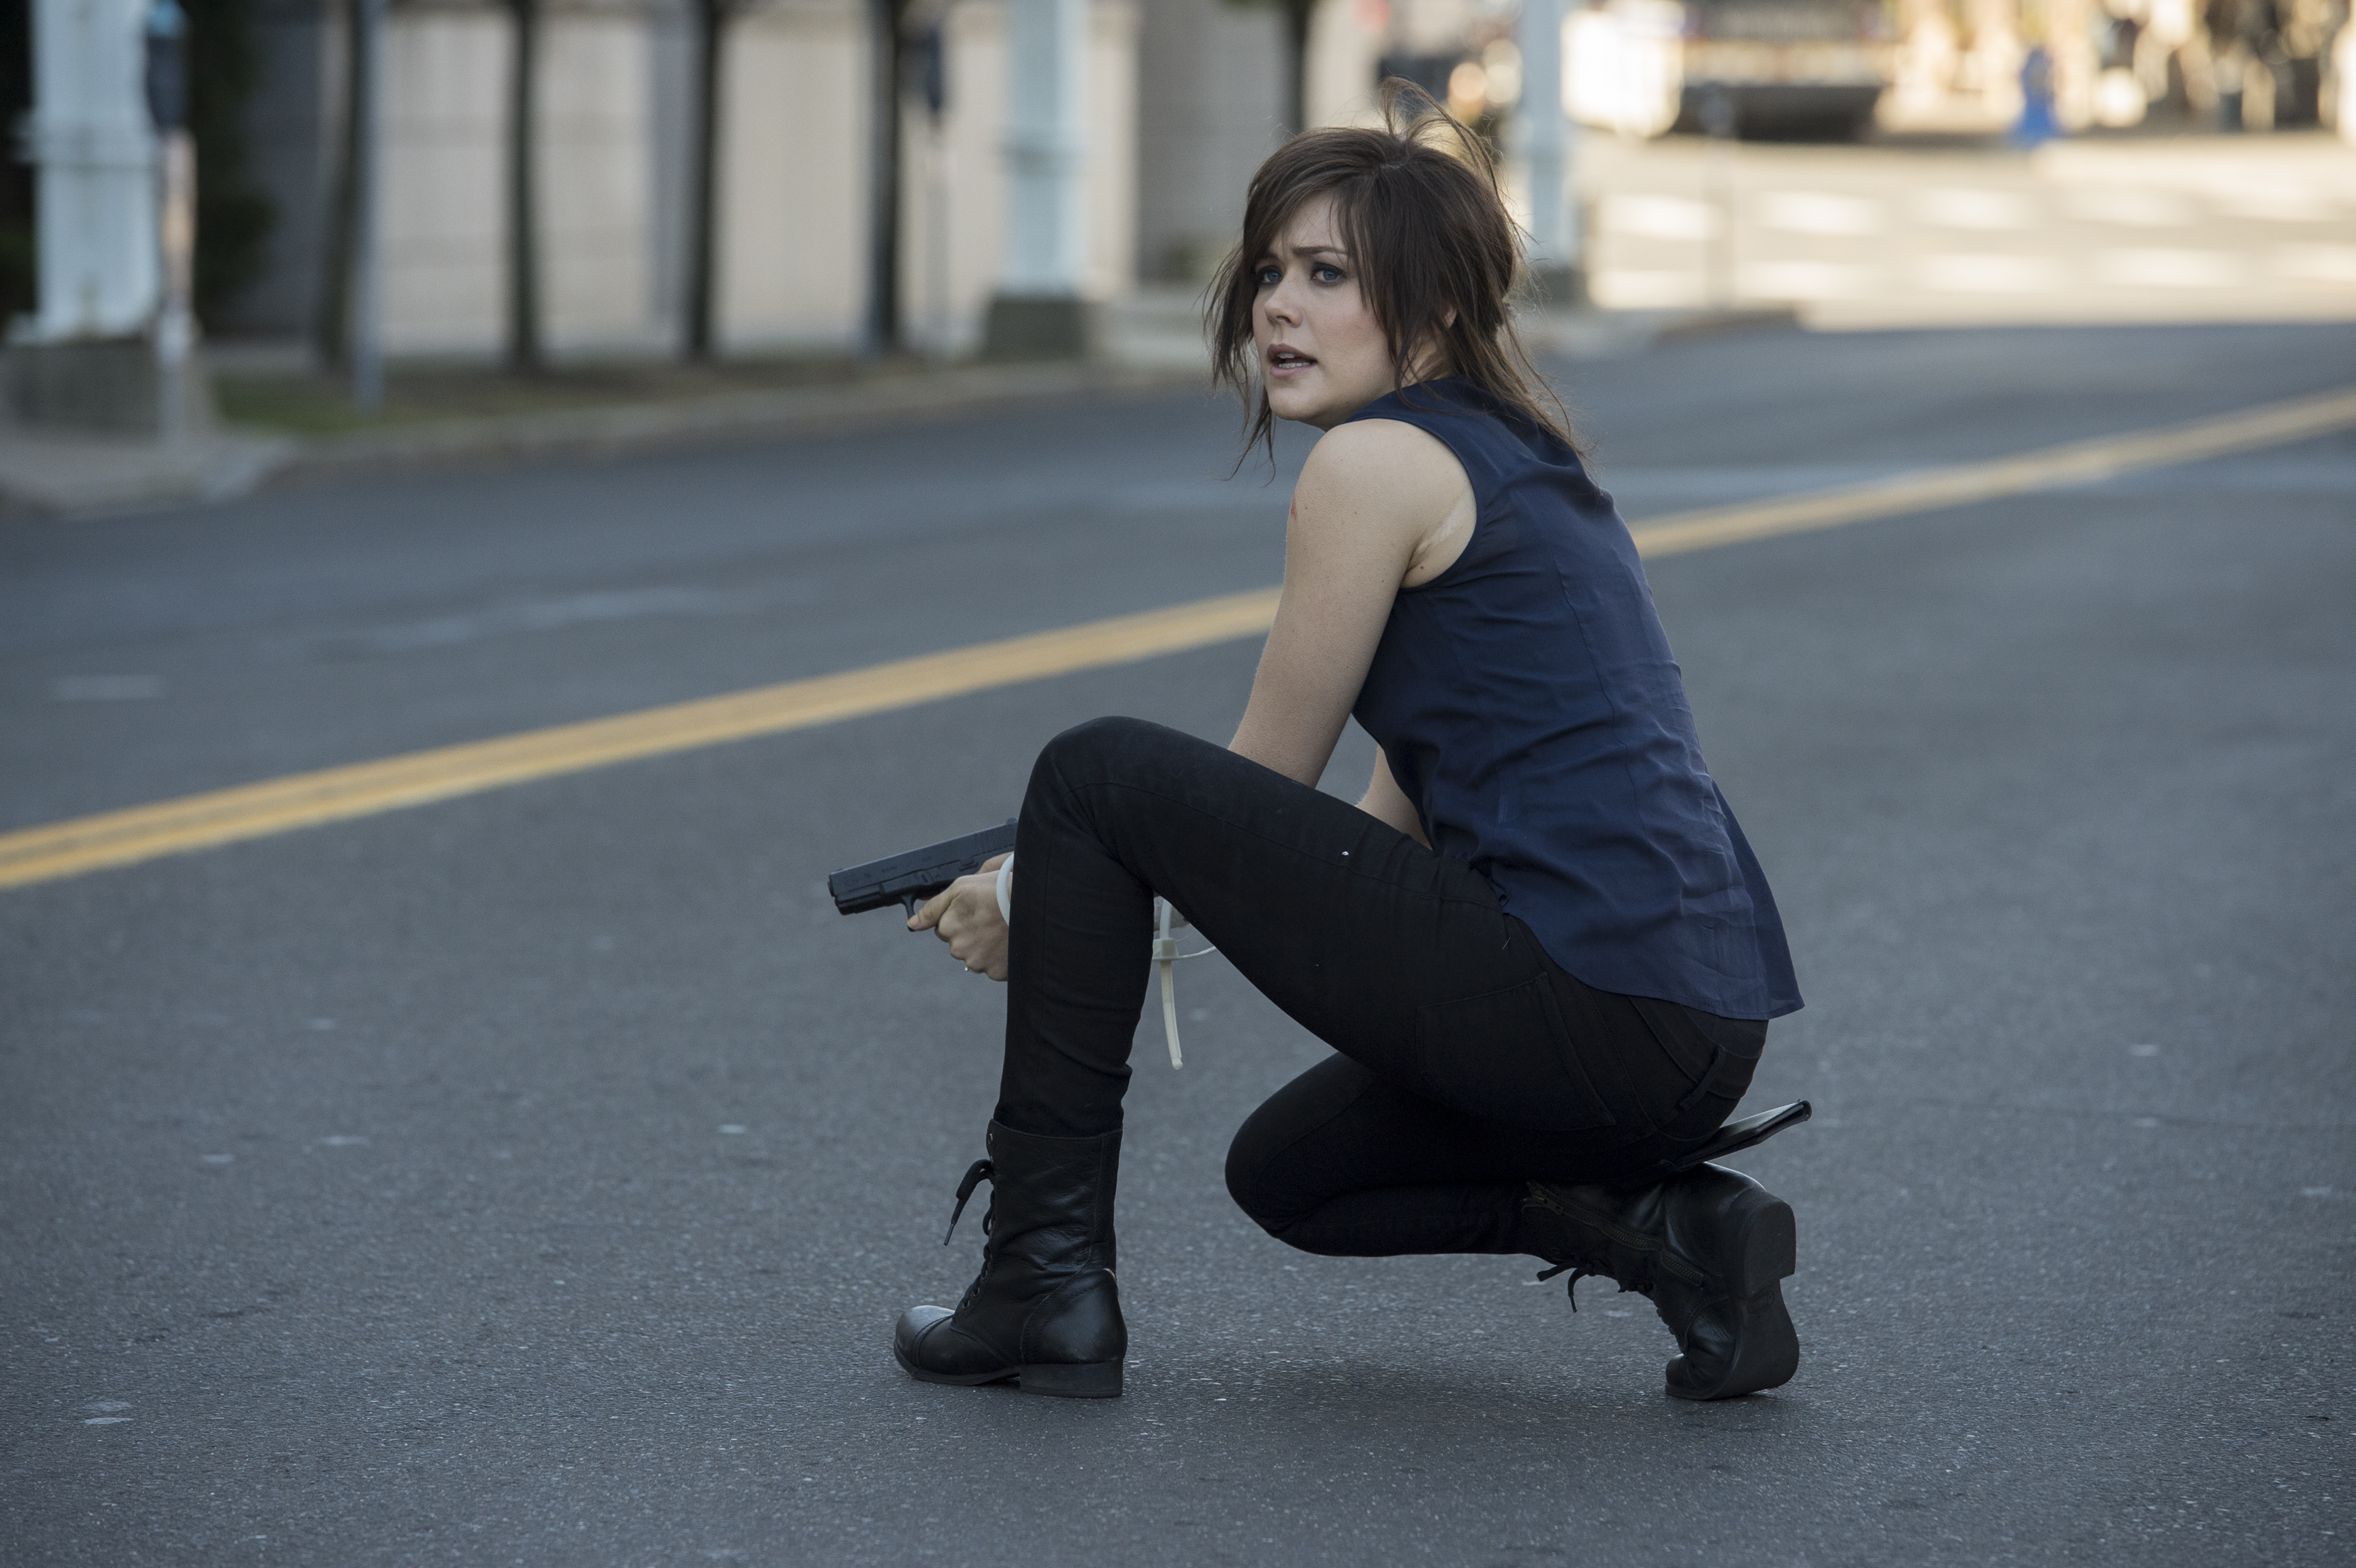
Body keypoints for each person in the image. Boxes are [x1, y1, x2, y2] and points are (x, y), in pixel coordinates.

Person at [896, 88, 1804, 1403]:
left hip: (1591, 1002)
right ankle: (1681, 1233)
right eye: (1270, 270)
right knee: (1294, 1173)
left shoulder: (1374, 466)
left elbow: (1257, 785)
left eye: (1327, 275)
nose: (1277, 305)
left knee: (1094, 772)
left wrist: (1038, 888)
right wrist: (1091, 886)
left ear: (1436, 309)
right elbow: (1364, 841)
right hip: (1695, 1028)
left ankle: (1038, 1282)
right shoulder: (1520, 461)